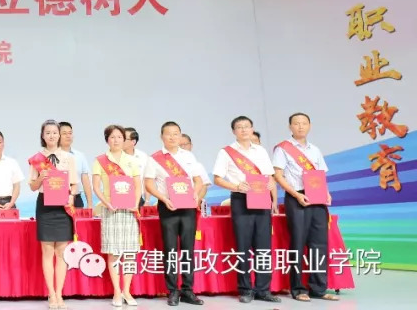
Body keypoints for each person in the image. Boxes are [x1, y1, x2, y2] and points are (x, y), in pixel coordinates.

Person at [212, 115, 280, 304]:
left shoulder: (260, 151)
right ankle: (245, 289)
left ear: (252, 129)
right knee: (243, 246)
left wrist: (270, 185)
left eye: (247, 126)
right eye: (239, 127)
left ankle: (263, 289)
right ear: (234, 131)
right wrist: (235, 186)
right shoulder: (226, 152)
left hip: (261, 198)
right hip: (241, 199)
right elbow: (217, 178)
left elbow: (270, 176)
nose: (243, 130)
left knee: (263, 246)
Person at [272, 112, 339, 302]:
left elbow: (320, 174)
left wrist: (326, 193)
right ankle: (298, 288)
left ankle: (318, 288)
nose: (300, 126)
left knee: (319, 244)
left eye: (304, 123)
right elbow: (278, 176)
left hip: (317, 198)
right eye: (296, 123)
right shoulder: (283, 148)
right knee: (298, 243)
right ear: (290, 127)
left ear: (309, 126)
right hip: (297, 197)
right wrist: (296, 194)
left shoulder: (315, 149)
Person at [143, 122, 204, 306]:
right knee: (170, 249)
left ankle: (187, 289)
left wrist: (195, 193)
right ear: (162, 136)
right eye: (168, 134)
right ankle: (172, 290)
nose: (172, 137)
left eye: (176, 133)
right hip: (167, 206)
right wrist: (162, 198)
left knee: (187, 249)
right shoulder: (155, 158)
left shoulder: (188, 156)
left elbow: (198, 181)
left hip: (188, 207)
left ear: (180, 135)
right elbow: (149, 183)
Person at [27, 121, 77, 310]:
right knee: (47, 252)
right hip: (45, 207)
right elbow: (33, 187)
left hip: (63, 207)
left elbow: (74, 184)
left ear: (59, 135)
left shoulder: (68, 158)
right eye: (47, 132)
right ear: (43, 135)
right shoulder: (37, 159)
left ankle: (60, 293)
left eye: (55, 132)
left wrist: (71, 197)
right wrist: (41, 177)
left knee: (61, 253)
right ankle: (51, 294)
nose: (51, 136)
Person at [92, 124, 141, 308]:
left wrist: (136, 203)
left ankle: (127, 290)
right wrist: (107, 203)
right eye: (112, 137)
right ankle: (117, 291)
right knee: (113, 252)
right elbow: (96, 186)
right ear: (107, 140)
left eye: (119, 137)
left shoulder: (131, 160)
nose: (116, 140)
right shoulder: (100, 160)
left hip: (129, 210)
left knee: (129, 253)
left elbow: (138, 185)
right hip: (111, 209)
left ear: (124, 139)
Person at [58, 122, 93, 209]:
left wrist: (89, 204)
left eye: (70, 133)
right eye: (64, 133)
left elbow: (85, 180)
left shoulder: (80, 156)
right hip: (57, 200)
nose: (68, 136)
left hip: (76, 199)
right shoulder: (52, 156)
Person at [123, 126, 150, 207]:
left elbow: (146, 180)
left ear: (133, 142)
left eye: (124, 139)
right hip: (119, 197)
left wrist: (147, 201)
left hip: (138, 199)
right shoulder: (115, 157)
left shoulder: (143, 156)